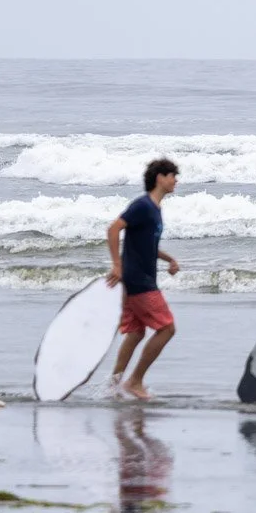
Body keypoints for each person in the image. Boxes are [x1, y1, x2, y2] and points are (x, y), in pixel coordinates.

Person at [106, 158, 180, 399]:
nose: (175, 181)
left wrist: (168, 259)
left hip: (138, 280)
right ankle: (135, 381)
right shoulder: (143, 206)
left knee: (136, 333)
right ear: (160, 177)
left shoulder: (155, 210)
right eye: (172, 176)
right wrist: (117, 266)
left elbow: (147, 246)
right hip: (139, 281)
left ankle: (115, 386)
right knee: (167, 329)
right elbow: (114, 228)